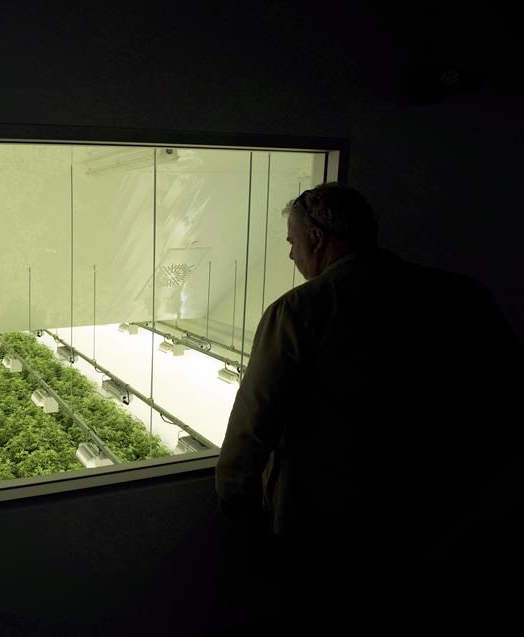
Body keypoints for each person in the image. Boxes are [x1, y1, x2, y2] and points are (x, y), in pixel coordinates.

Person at [215, 183, 519, 630]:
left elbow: (254, 421)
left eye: (292, 242)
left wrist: (234, 499)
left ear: (316, 238)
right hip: (437, 510)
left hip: (325, 524)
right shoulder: (462, 294)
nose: (291, 255)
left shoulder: (300, 310)